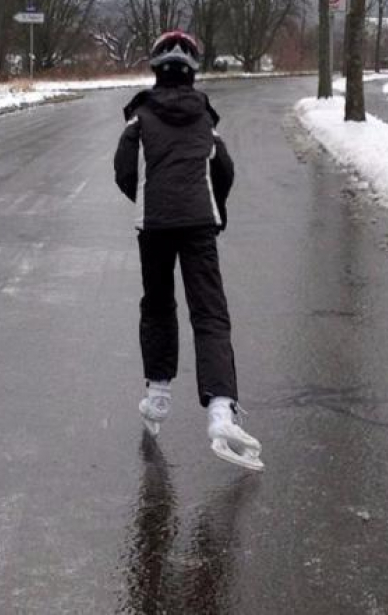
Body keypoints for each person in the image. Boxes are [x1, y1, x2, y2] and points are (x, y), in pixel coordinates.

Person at [113, 31, 264, 472]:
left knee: (158, 305)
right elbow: (224, 169)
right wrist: (213, 207)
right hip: (199, 223)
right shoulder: (204, 116)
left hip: (155, 224)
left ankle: (158, 395)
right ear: (192, 72)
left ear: (156, 70)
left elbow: (124, 171)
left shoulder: (139, 116)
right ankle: (220, 410)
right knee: (209, 313)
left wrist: (147, 199)